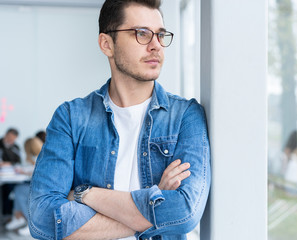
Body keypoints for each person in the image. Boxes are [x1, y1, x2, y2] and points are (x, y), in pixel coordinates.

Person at [29, 1, 211, 240]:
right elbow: (42, 220)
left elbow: (184, 212)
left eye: (160, 35)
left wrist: (85, 194)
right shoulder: (71, 118)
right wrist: (155, 203)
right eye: (142, 34)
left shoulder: (185, 116)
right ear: (107, 44)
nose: (157, 46)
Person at [5, 131, 46, 236]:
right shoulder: (39, 156)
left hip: (43, 188)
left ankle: (31, 223)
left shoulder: (41, 157)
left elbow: (39, 171)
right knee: (18, 188)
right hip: (39, 185)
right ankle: (18, 217)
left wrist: (25, 171)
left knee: (20, 190)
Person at [0, 128, 21, 216]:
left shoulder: (15, 147)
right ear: (6, 134)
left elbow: (18, 162)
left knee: (13, 188)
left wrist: (8, 163)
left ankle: (9, 214)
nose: (11, 140)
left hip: (11, 175)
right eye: (9, 137)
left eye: (13, 138)